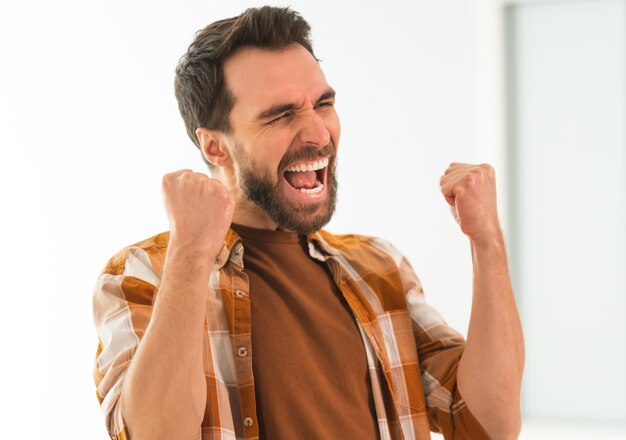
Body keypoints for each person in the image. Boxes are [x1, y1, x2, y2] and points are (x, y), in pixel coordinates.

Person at [92, 6, 524, 440]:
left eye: (324, 104)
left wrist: (486, 240)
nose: (319, 133)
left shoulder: (379, 268)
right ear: (214, 146)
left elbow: (489, 425)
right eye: (281, 115)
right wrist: (189, 252)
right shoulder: (144, 274)